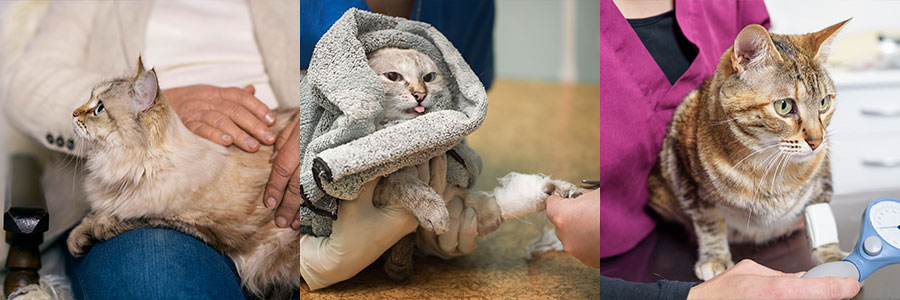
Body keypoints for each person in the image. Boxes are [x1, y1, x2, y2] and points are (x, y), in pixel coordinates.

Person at [0, 1, 477, 298]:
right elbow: (25, 82)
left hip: (296, 176)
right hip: (148, 200)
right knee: (158, 281)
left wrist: (326, 112)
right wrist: (154, 105)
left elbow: (384, 56)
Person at [544, 0, 861, 299]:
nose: (815, 135)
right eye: (785, 107)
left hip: (772, 244)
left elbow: (784, 58)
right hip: (612, 267)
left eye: (823, 105)